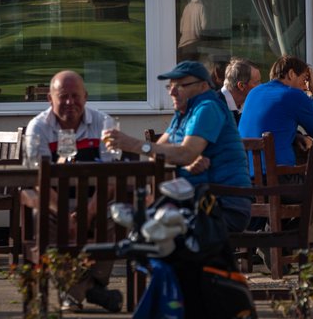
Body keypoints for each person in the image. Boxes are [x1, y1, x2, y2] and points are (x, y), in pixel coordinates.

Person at [105, 61, 252, 232]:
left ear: (203, 86)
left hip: (225, 204)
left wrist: (134, 144)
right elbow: (159, 153)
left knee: (148, 227)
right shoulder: (183, 113)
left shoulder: (207, 107)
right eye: (170, 86)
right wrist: (186, 162)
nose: (173, 91)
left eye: (182, 85)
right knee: (129, 225)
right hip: (194, 200)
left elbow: (184, 153)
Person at [24, 70, 121, 313]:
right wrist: (67, 216)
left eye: (75, 96)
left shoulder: (104, 122)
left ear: (86, 97)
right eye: (63, 96)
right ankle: (90, 290)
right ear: (50, 99)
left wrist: (87, 213)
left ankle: (77, 291)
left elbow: (112, 176)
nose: (70, 102)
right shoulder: (38, 127)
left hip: (95, 199)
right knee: (41, 220)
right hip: (55, 200)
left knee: (117, 216)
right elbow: (38, 180)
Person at [238, 55, 313, 169]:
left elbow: (269, 125)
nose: (305, 87)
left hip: (249, 177)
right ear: (291, 74)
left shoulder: (254, 92)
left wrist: (295, 136)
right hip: (279, 176)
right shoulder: (294, 95)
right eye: (304, 79)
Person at [221, 57, 262, 124]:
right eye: (257, 82)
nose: (261, 86)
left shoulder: (247, 104)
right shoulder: (214, 107)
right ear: (241, 86)